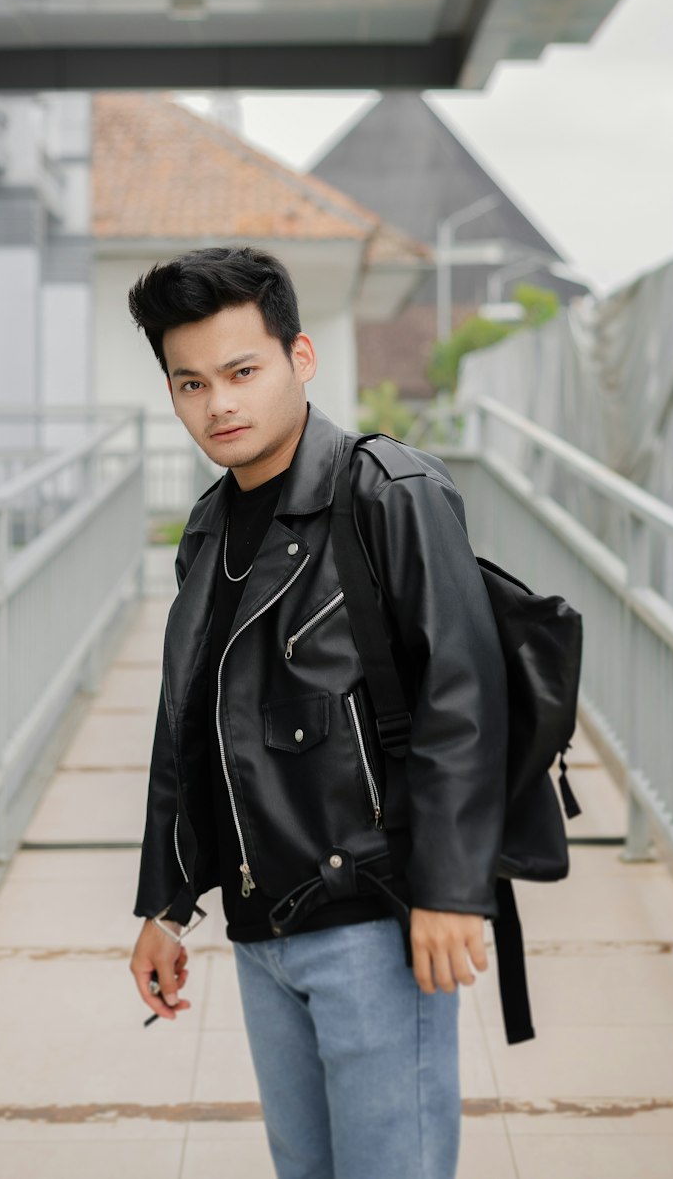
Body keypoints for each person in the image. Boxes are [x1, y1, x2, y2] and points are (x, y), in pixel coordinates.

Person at [127, 246, 508, 1179]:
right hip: (264, 931)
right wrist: (166, 904)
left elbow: (465, 695)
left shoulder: (390, 492)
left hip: (375, 921)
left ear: (301, 358)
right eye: (191, 383)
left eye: (242, 372)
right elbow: (191, 724)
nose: (218, 404)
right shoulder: (211, 525)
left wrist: (453, 890)